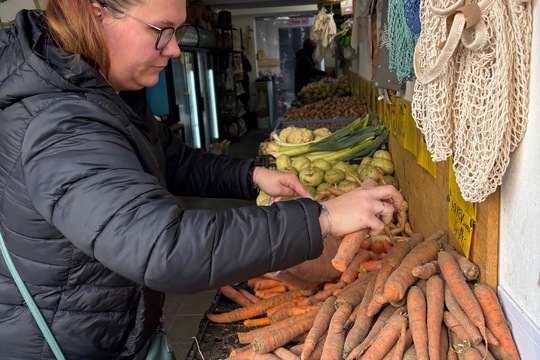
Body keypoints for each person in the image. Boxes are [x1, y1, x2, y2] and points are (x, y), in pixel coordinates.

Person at [0, 0, 403, 358]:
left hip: (105, 325)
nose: (174, 49)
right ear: (97, 13)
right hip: (64, 343)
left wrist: (252, 174)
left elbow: (171, 161)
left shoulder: (105, 93)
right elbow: (162, 245)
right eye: (161, 31)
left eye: (177, 33)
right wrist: (322, 219)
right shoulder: (61, 123)